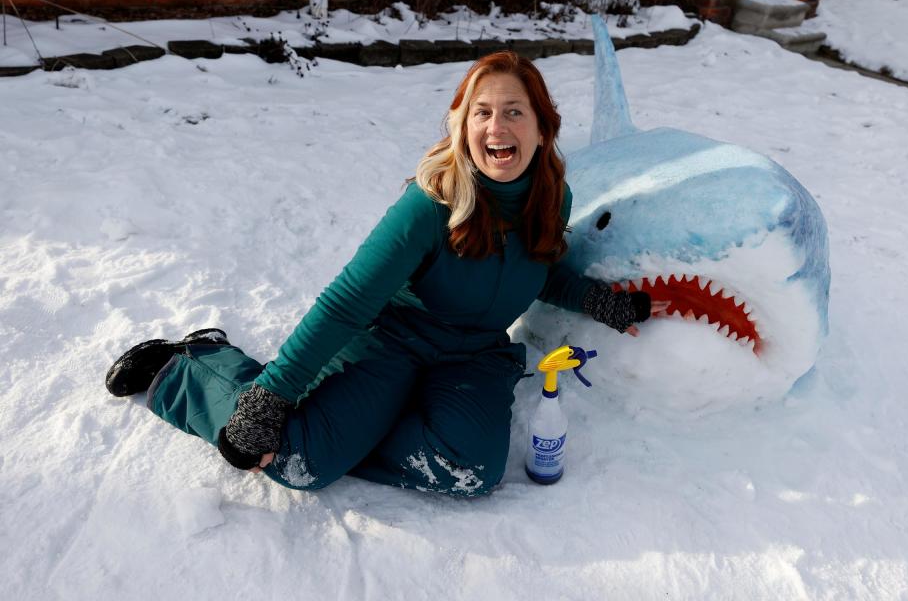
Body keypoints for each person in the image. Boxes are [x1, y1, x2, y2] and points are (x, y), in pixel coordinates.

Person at [106, 51, 666, 497]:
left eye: (515, 111)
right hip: (390, 342)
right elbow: (348, 301)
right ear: (463, 125)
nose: (498, 126)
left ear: (543, 129)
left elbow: (537, 270)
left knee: (471, 471)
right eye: (482, 111)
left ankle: (346, 430)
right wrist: (271, 398)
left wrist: (597, 301)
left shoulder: (552, 199)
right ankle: (194, 366)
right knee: (300, 462)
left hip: (474, 356)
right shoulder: (431, 204)